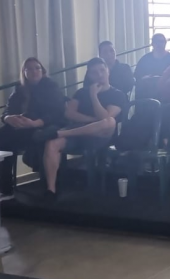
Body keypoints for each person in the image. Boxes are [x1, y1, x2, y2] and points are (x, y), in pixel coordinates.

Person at [0, 57, 65, 195]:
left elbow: (57, 113)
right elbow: (8, 110)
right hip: (21, 129)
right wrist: (8, 118)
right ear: (24, 73)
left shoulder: (51, 87)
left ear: (42, 71)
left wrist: (35, 122)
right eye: (29, 69)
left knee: (11, 132)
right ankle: (6, 190)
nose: (34, 71)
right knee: (4, 145)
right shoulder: (20, 89)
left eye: (37, 68)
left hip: (43, 129)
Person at [37, 58, 129, 199]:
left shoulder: (118, 94)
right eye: (94, 72)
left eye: (102, 70)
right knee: (51, 143)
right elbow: (69, 113)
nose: (99, 75)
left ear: (108, 71)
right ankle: (51, 189)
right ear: (89, 75)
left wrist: (94, 96)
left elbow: (105, 117)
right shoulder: (81, 92)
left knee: (110, 121)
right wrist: (92, 121)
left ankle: (60, 133)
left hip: (102, 135)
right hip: (77, 133)